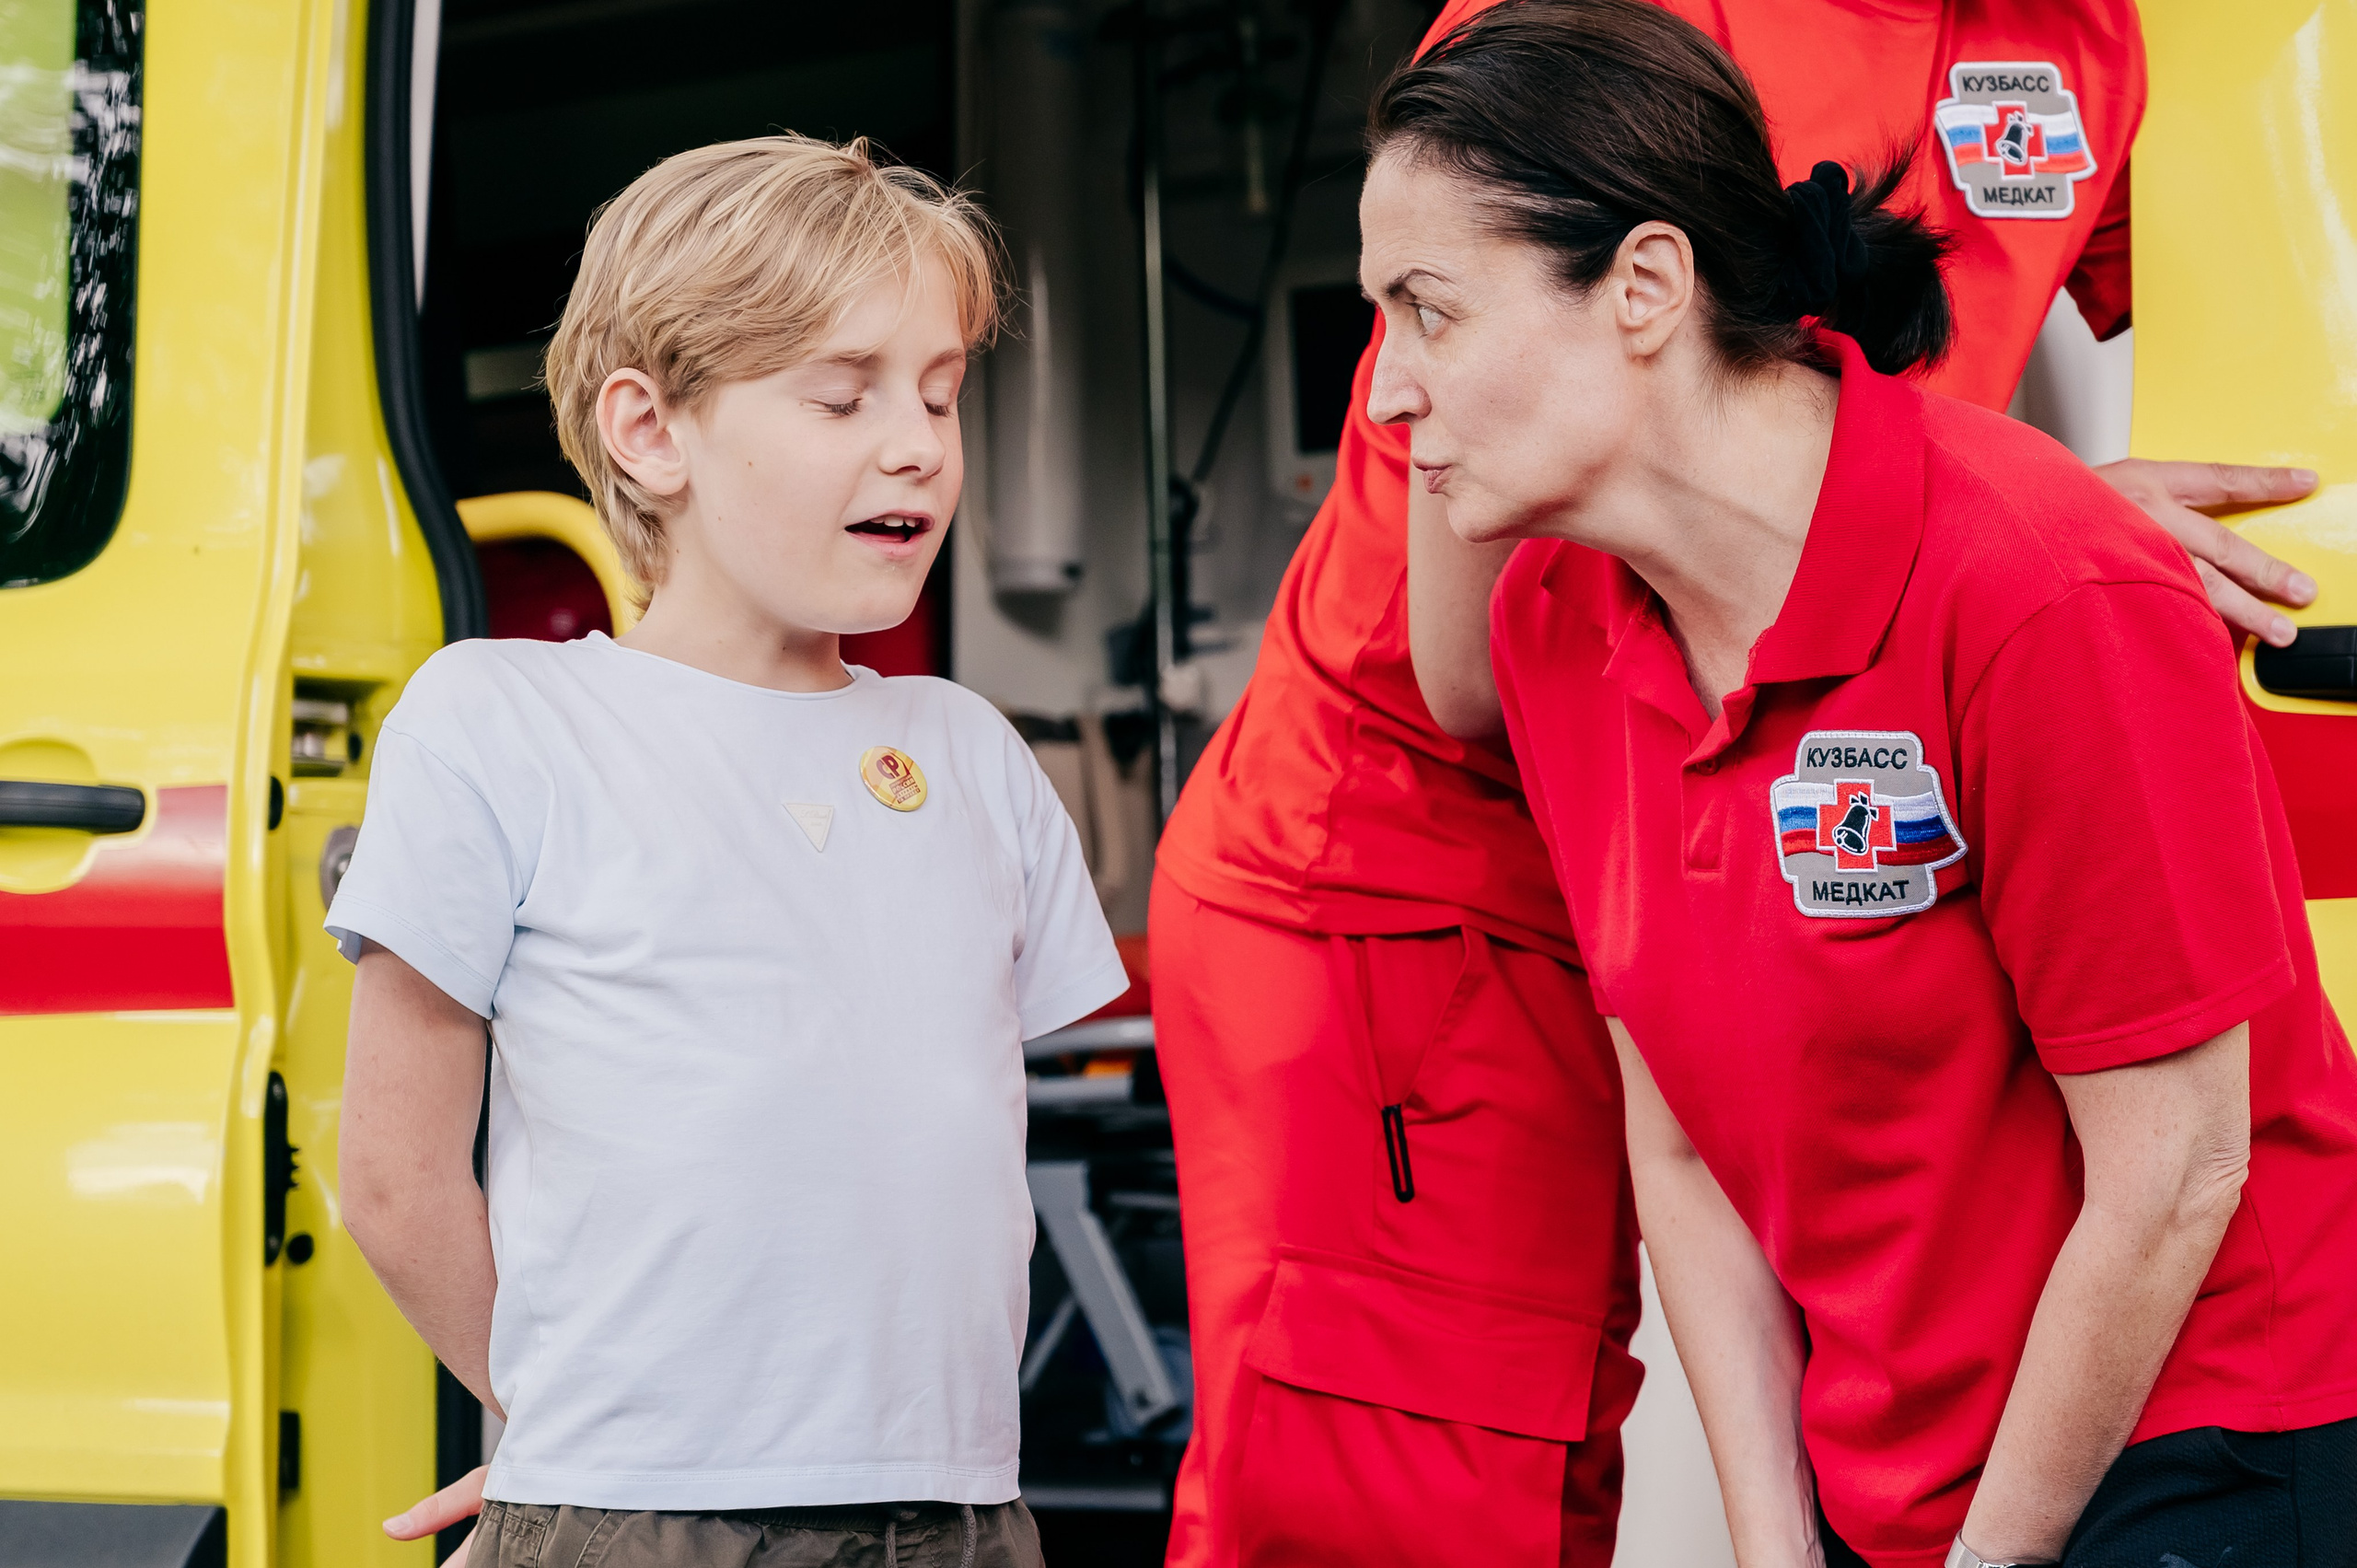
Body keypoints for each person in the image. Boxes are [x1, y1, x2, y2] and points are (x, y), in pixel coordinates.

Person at [1151, 0, 2317, 1562]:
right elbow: (1679, 1134)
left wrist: (2013, 537)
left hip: (1833, 681)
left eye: (1424, 317)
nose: (1383, 394)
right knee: (1432, 1494)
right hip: (1403, 879)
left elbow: (2179, 1168)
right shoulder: (1555, 624)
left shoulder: (2087, 54)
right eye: (1394, 320)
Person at [332, 135, 1129, 1568]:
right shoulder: (505, 720)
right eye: (842, 395)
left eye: (941, 395)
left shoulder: (969, 753)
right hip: (638, 1517)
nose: (917, 446)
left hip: (961, 1513)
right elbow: (390, 1174)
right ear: (650, 432)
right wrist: (564, 1438)